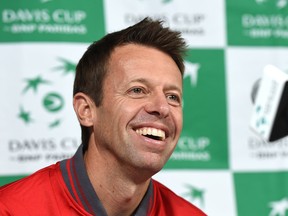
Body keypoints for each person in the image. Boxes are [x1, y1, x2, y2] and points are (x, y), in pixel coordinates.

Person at [0, 17, 206, 216]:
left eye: (172, 96)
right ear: (86, 111)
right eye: (137, 90)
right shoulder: (9, 210)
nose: (162, 107)